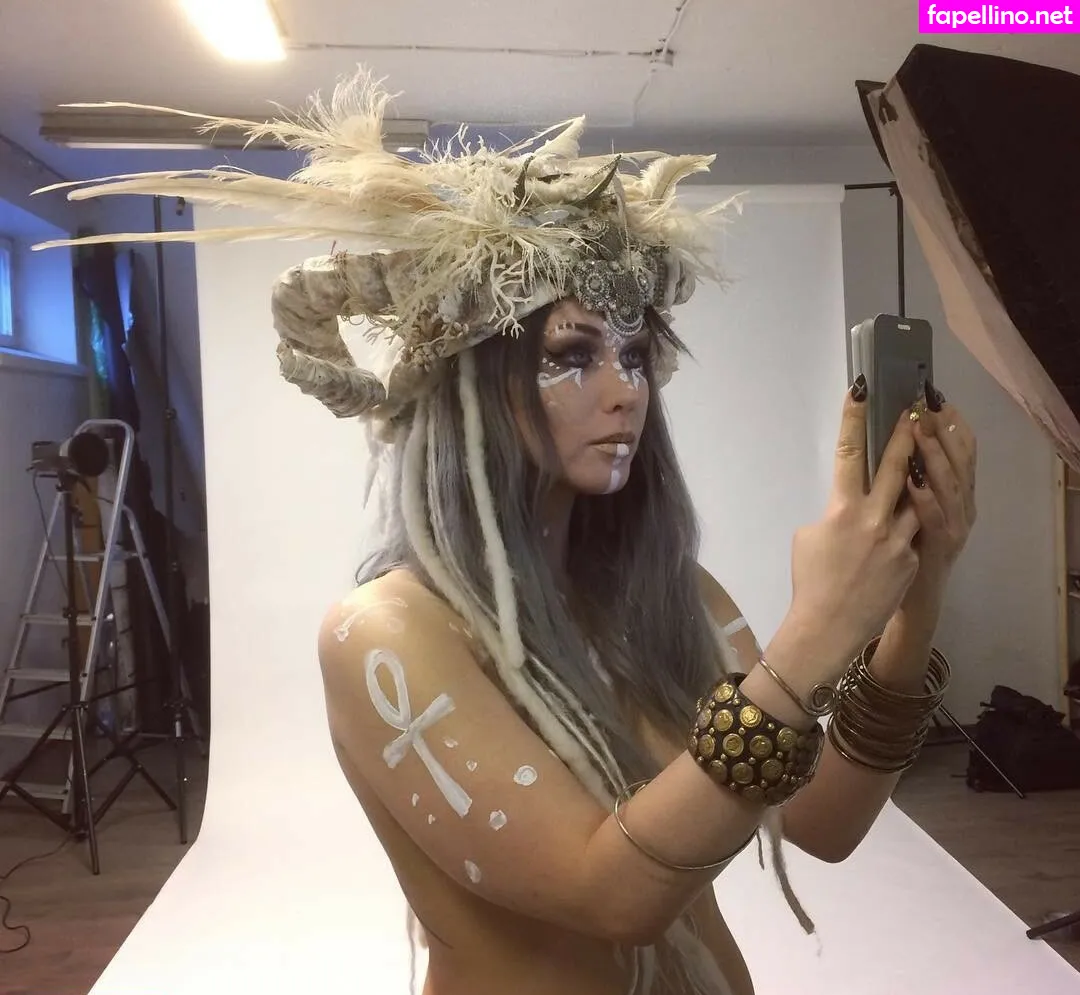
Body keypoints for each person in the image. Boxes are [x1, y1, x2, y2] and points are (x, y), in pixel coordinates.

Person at [40, 70, 977, 995]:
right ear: (468, 383)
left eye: (635, 354)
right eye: (572, 354)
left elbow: (822, 822)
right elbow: (609, 893)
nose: (626, 391)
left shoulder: (672, 597)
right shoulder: (384, 634)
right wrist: (812, 637)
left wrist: (913, 602)